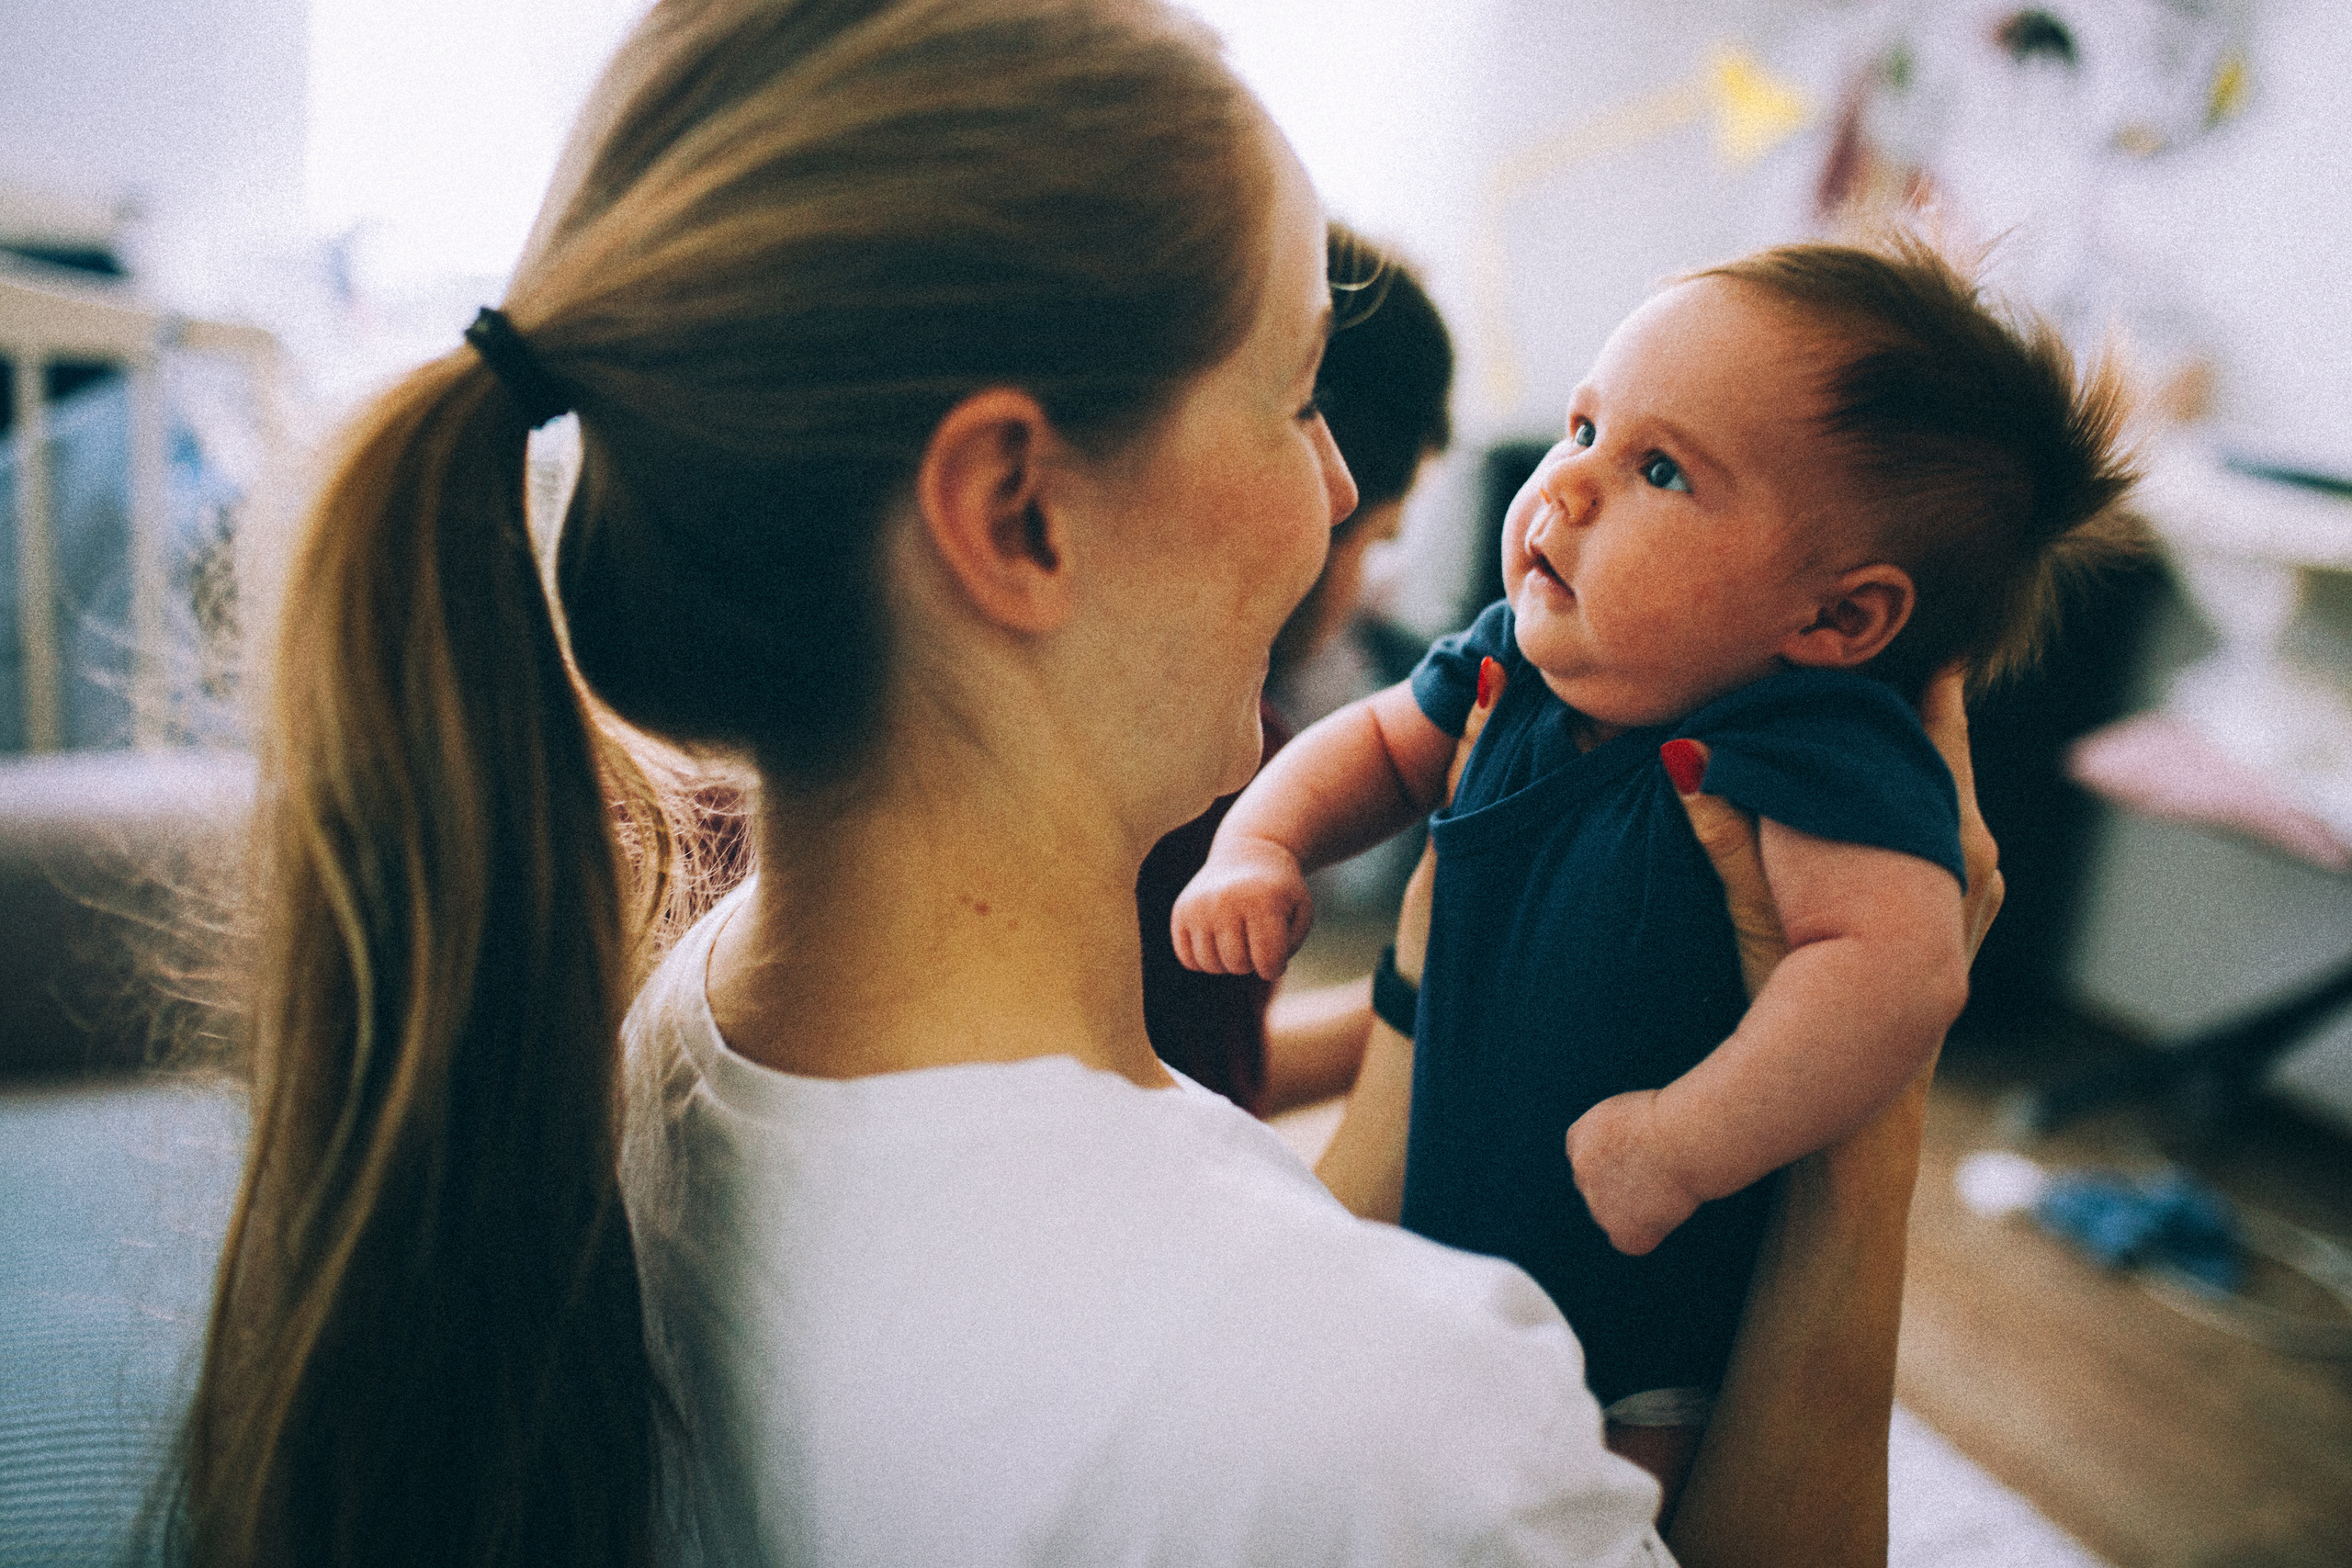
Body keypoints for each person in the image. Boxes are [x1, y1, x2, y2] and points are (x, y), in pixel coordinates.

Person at [168, 1, 2001, 1561]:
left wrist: (1434, 993)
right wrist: (1868, 1115)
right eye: (1297, 395)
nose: (1335, 493)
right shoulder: (1389, 1430)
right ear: (1018, 513)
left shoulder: (674, 1033)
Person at [1173, 232, 2137, 1502]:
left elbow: (1899, 972)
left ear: (1836, 617)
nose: (1568, 485)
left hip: (1633, 1327)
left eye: (1660, 469)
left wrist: (1690, 1140)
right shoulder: (1519, 659)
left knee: (1586, 1511)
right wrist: (1260, 845)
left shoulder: (1816, 748)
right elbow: (1378, 744)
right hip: (1442, 1217)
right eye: (1584, 428)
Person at [1137, 220, 1453, 1113]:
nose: (1339, 488)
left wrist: (1428, 1001)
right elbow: (1202, 1120)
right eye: (1379, 541)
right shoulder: (1212, 758)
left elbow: (1178, 1065)